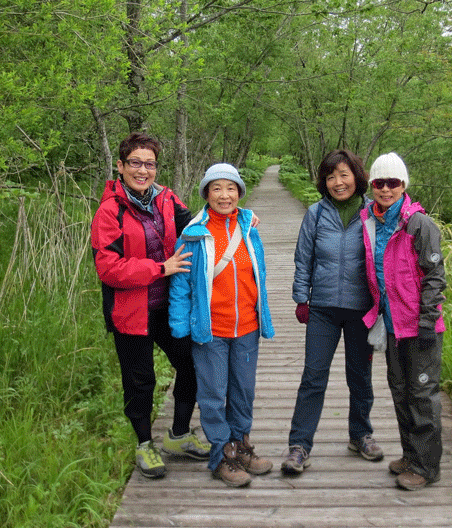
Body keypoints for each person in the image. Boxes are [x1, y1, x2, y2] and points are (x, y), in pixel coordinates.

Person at [91, 132, 210, 479]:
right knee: (141, 380)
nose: (143, 170)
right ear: (120, 166)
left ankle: (178, 435)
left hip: (170, 307)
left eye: (150, 164)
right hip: (131, 312)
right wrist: (160, 268)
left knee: (190, 364)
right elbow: (108, 268)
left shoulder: (166, 200)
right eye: (135, 163)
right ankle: (145, 445)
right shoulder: (109, 211)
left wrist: (241, 217)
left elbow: (201, 226)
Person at [169, 163, 275, 488]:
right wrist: (178, 328)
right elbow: (181, 285)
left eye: (231, 188)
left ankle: (240, 445)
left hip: (246, 327)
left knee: (243, 391)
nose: (224, 195)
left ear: (239, 193)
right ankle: (220, 455)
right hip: (210, 330)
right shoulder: (193, 235)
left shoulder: (248, 228)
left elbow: (257, 275)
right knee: (214, 394)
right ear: (206, 194)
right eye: (216, 188)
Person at [281, 149, 383, 476]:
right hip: (323, 308)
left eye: (343, 174)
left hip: (361, 309)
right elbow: (303, 259)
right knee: (313, 377)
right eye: (330, 176)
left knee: (360, 377)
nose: (338, 182)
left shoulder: (374, 213)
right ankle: (299, 445)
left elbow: (383, 259)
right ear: (324, 182)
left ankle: (360, 435)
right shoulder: (315, 213)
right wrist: (301, 298)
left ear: (356, 175)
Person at [360, 152, 446, 491]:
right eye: (379, 183)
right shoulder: (371, 220)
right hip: (392, 325)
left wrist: (428, 321)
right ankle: (411, 456)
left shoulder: (418, 224)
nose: (385, 189)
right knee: (400, 392)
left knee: (422, 395)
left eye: (392, 183)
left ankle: (427, 468)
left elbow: (435, 276)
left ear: (403, 185)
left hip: (420, 327)